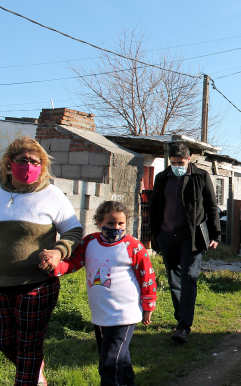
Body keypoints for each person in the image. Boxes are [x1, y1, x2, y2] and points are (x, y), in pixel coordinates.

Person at [0, 136, 83, 386]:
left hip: (35, 284)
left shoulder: (51, 194)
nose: (29, 165)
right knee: (5, 341)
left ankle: (31, 376)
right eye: (23, 160)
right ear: (9, 163)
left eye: (35, 161)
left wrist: (58, 252)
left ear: (43, 166)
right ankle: (35, 369)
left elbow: (73, 230)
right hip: (1, 284)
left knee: (29, 346)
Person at [47, 201, 156, 386]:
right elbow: (73, 263)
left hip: (124, 314)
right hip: (100, 314)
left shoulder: (133, 246)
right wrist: (53, 266)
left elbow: (147, 278)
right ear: (98, 222)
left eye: (121, 223)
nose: (116, 227)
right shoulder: (89, 242)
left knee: (109, 363)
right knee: (120, 359)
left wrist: (148, 305)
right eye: (111, 223)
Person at [149, 143, 220, 344]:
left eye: (180, 162)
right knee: (174, 278)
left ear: (189, 159)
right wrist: (156, 233)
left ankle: (183, 327)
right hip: (166, 235)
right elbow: (154, 208)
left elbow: (211, 206)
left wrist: (215, 234)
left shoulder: (200, 177)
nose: (177, 166)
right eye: (173, 163)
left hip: (192, 235)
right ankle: (181, 317)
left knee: (189, 276)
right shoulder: (162, 178)